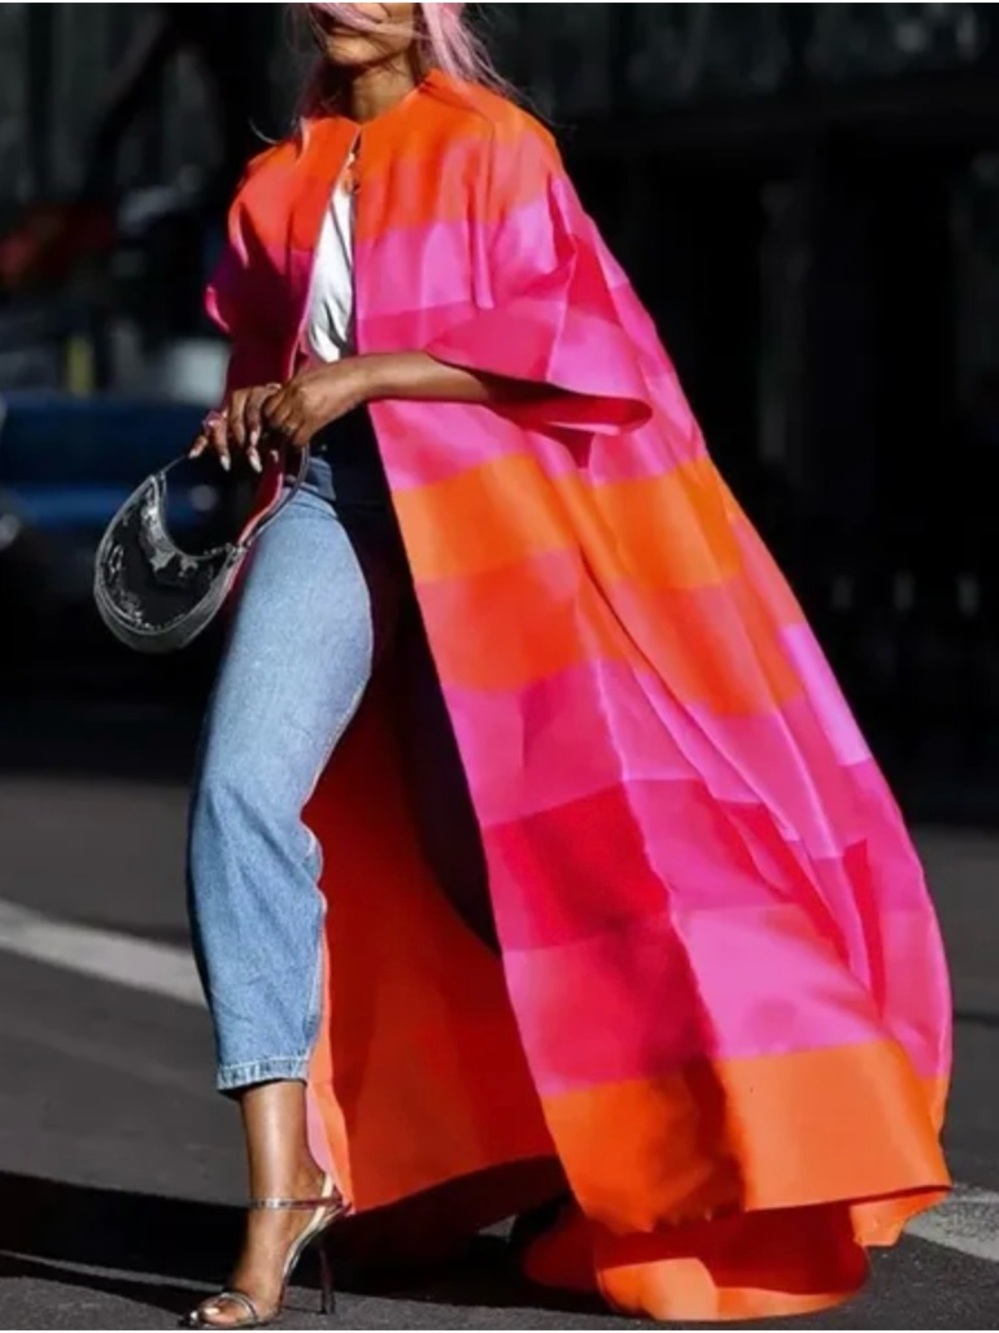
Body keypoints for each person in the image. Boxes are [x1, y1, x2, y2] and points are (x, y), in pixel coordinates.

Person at [184, 4, 952, 1327]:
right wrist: (255, 406)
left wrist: (369, 372)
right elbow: (271, 348)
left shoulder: (499, 149)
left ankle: (675, 1144)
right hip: (335, 509)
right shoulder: (274, 183)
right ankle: (283, 1188)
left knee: (533, 863)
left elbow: (587, 352)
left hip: (498, 526)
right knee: (238, 795)